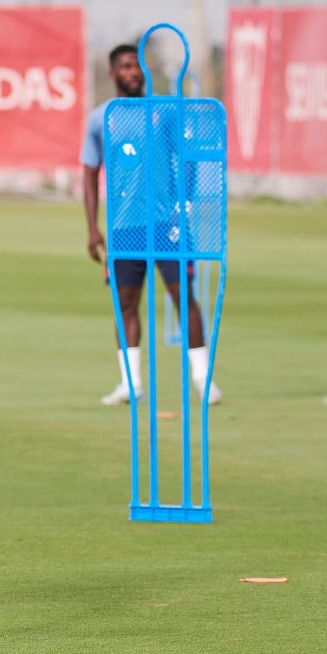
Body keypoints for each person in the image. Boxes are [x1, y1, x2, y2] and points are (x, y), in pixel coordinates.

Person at [81, 44, 223, 406]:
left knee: (183, 297)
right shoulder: (101, 118)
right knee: (125, 303)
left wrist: (185, 201)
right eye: (126, 66)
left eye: (138, 65)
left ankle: (203, 379)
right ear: (113, 73)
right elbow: (89, 173)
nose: (134, 72)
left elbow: (187, 158)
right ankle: (130, 384)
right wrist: (92, 228)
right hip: (123, 227)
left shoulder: (163, 110)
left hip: (167, 223)